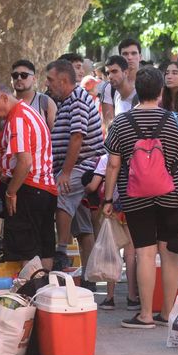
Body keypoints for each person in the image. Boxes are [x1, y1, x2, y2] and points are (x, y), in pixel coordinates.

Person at [100, 66, 178, 329]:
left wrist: (108, 199)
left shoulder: (120, 124)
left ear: (138, 91)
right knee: (169, 253)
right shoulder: (176, 121)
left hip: (135, 196)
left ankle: (145, 314)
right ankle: (167, 313)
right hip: (172, 196)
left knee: (145, 253)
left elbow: (113, 165)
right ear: (160, 92)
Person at [0, 82, 58, 267]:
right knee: (44, 248)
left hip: (29, 189)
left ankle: (29, 292)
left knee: (26, 251)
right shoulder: (26, 112)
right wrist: (2, 167)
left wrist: (11, 192)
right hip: (44, 189)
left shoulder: (18, 118)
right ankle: (42, 290)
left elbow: (25, 161)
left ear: (4, 98)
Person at [45, 59, 104, 277]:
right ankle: (88, 277)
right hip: (75, 165)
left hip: (83, 164)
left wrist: (66, 172)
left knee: (61, 193)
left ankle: (60, 251)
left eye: (51, 80)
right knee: (83, 227)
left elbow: (77, 137)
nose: (48, 84)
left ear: (62, 80)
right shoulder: (68, 100)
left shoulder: (78, 100)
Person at [10, 59, 57, 130]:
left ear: (34, 79)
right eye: (15, 75)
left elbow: (55, 134)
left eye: (24, 75)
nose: (19, 78)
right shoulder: (4, 102)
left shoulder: (45, 102)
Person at [98, 54, 135, 130]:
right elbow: (109, 127)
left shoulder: (139, 95)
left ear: (126, 73)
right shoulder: (115, 95)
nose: (110, 76)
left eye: (114, 71)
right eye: (107, 73)